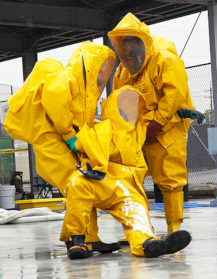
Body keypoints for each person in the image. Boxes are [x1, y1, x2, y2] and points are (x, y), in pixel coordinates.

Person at [3, 41, 121, 253]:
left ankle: (84, 237)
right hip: (49, 140)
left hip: (59, 141)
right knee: (78, 184)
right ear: (88, 64)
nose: (102, 73)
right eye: (99, 66)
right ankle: (77, 239)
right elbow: (55, 103)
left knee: (83, 186)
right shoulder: (66, 78)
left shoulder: (86, 93)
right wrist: (69, 136)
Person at [61, 86, 191, 259]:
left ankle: (147, 244)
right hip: (103, 182)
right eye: (122, 110)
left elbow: (156, 119)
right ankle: (76, 241)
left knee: (136, 211)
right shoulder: (100, 130)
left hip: (128, 189)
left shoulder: (138, 130)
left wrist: (179, 114)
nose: (128, 115)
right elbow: (83, 143)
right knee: (77, 182)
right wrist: (85, 162)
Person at [108, 13, 204, 235]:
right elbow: (118, 101)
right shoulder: (123, 72)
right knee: (131, 177)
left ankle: (174, 229)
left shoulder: (163, 60)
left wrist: (158, 122)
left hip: (169, 126)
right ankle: (139, 230)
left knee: (170, 177)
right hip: (139, 130)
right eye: (125, 46)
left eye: (133, 43)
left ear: (142, 42)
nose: (129, 51)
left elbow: (174, 95)